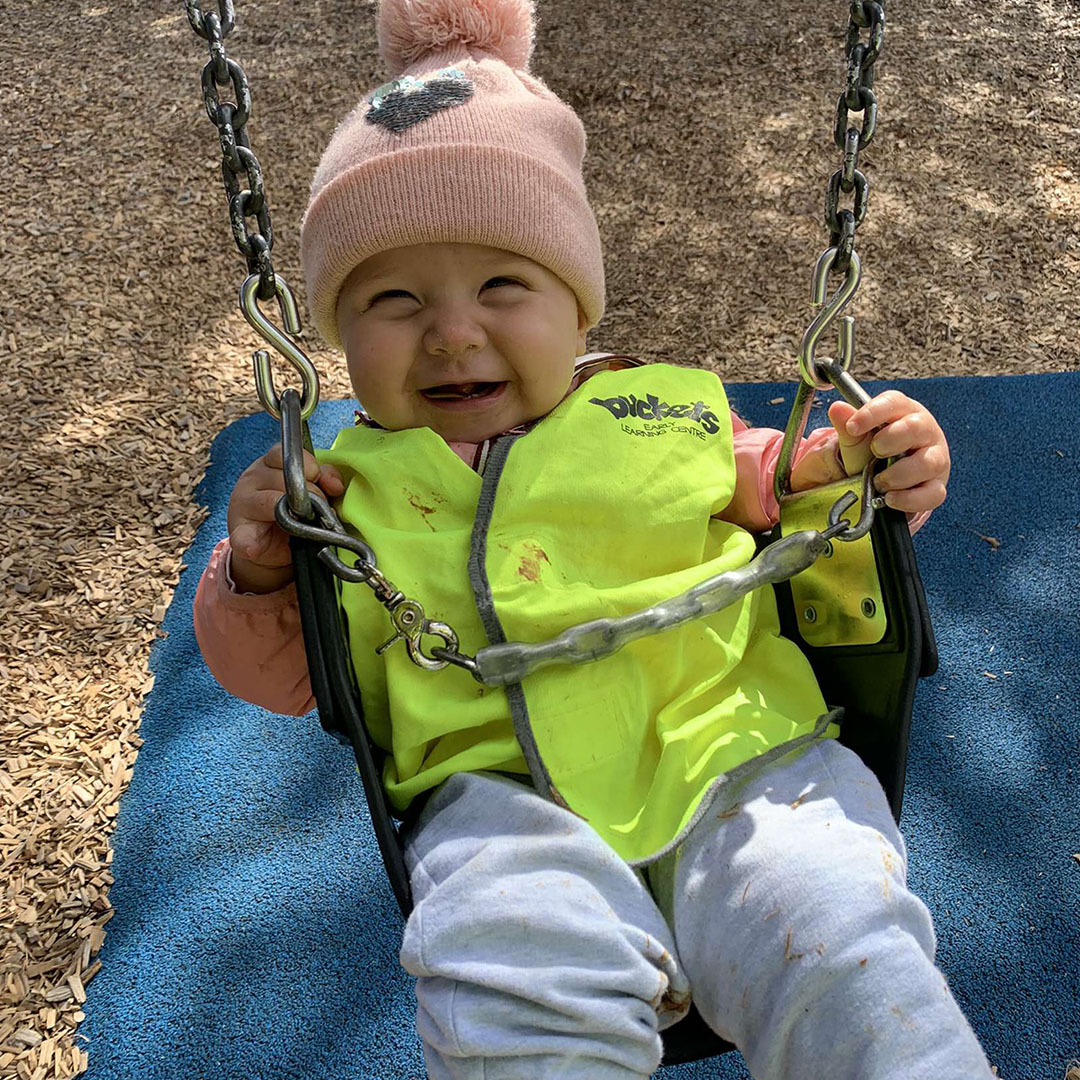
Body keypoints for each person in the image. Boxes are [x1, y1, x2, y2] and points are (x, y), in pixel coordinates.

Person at [194, 1, 994, 1076]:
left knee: (842, 936)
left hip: (740, 755)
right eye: (391, 299)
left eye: (503, 286)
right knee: (512, 977)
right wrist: (254, 570)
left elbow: (802, 494)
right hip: (499, 803)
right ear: (341, 339)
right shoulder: (339, 491)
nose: (452, 331)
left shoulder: (666, 413)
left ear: (580, 311)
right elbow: (284, 678)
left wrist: (880, 459)